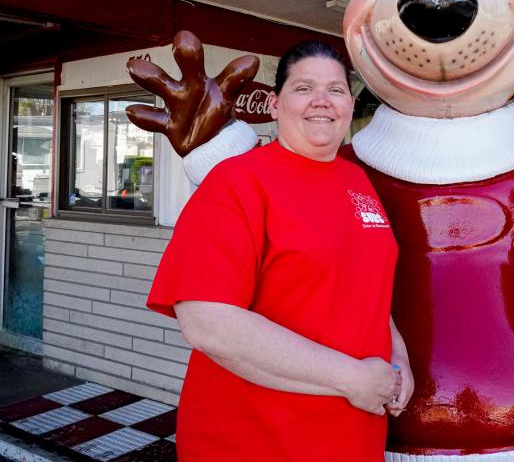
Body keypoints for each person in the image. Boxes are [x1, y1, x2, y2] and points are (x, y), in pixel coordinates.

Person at [147, 40, 413, 461]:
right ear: (274, 104)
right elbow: (207, 323)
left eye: (336, 89)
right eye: (303, 88)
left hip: (351, 439)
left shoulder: (358, 181)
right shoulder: (236, 182)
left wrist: (398, 357)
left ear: (349, 103)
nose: (321, 102)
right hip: (256, 441)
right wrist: (352, 378)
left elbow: (367, 286)